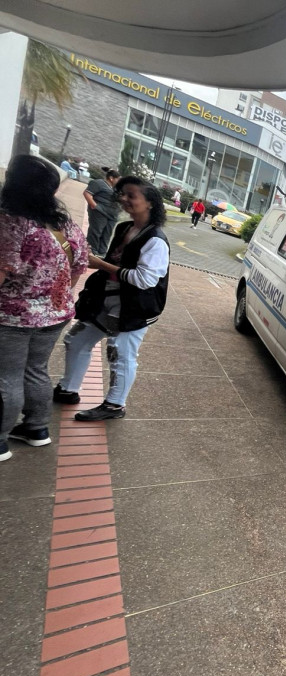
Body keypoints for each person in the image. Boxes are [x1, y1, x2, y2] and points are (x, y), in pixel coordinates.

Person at [54, 176, 169, 421]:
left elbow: (144, 280)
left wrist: (101, 264)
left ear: (149, 203)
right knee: (77, 339)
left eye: (131, 195)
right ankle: (68, 389)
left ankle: (115, 405)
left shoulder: (156, 241)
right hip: (106, 299)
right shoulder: (124, 228)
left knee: (120, 353)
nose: (123, 199)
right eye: (122, 194)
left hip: (134, 308)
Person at [0, 155, 89, 462]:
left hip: (12, 316)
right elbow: (79, 266)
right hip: (55, 313)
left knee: (7, 375)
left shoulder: (11, 223)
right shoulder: (67, 225)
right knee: (36, 370)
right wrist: (58, 297)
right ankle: (37, 429)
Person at [83, 168, 121, 257]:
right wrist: (95, 206)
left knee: (107, 233)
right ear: (111, 178)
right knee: (96, 232)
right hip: (100, 213)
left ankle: (102, 253)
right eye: (118, 179)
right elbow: (87, 193)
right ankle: (92, 252)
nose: (119, 181)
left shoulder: (115, 189)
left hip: (112, 215)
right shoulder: (98, 183)